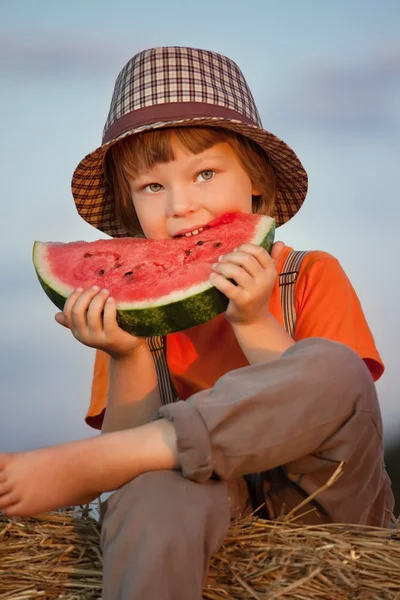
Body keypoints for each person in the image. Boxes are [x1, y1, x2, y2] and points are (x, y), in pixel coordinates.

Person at [0, 46, 395, 599]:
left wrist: (254, 320)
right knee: (155, 494)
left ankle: (118, 454)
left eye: (204, 172)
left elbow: (331, 416)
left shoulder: (310, 274)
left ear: (256, 181)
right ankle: (148, 459)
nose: (181, 205)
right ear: (131, 206)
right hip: (205, 505)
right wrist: (127, 353)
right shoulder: (134, 310)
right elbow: (128, 470)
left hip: (327, 507)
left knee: (335, 368)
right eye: (152, 187)